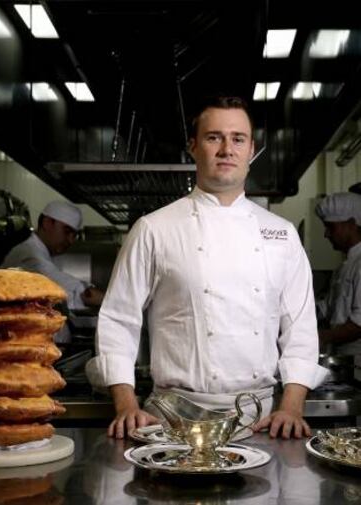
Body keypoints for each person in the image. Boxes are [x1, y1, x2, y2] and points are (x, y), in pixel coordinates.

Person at [86, 95, 327, 440]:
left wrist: (290, 408)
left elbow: (300, 329)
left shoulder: (282, 235)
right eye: (214, 137)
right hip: (171, 419)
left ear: (251, 150)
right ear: (193, 147)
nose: (227, 149)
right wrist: (126, 405)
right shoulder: (154, 228)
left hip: (258, 421)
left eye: (238, 139)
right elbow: (118, 320)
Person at [1, 200, 104, 311]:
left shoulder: (38, 252)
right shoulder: (29, 255)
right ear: (47, 223)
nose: (71, 240)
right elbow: (83, 294)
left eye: (74, 235)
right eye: (67, 231)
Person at [315, 192, 361, 355]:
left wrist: (320, 337)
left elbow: (358, 325)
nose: (326, 234)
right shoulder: (345, 265)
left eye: (330, 227)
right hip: (343, 357)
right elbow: (328, 308)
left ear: (351, 223)